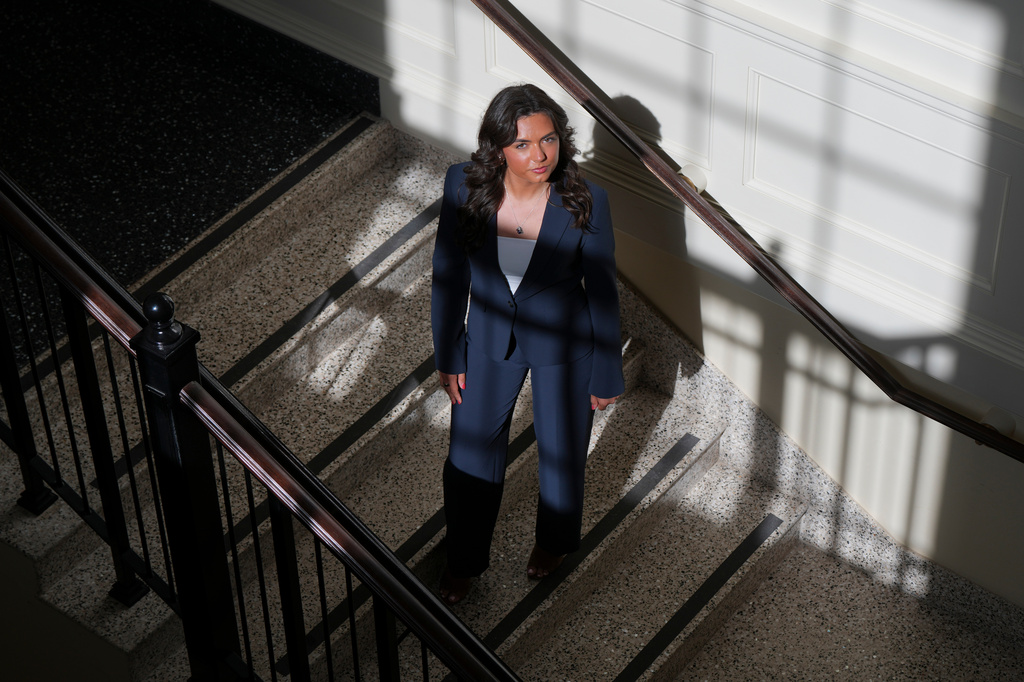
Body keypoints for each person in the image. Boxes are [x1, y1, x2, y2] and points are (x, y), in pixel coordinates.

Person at [431, 83, 624, 605]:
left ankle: (554, 543)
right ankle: (464, 563)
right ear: (497, 148)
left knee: (562, 455)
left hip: (566, 345)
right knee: (470, 457)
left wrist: (607, 369)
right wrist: (448, 352)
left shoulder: (587, 201)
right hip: (490, 341)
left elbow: (603, 294)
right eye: (522, 144)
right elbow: (448, 274)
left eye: (550, 140)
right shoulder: (461, 187)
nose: (540, 155)